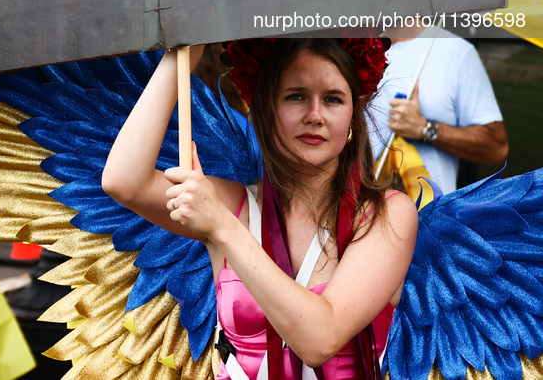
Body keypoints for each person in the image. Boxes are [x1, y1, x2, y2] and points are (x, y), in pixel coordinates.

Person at [102, 38, 418, 379]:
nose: (315, 115)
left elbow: (319, 341)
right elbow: (125, 180)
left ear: (352, 117)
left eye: (332, 99)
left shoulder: (388, 215)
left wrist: (222, 228)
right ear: (267, 110)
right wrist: (180, 56)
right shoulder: (233, 204)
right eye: (295, 96)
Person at [368, 25, 509, 194]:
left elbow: (496, 147)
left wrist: (427, 129)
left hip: (427, 215)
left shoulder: (457, 52)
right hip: (350, 212)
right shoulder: (353, 48)